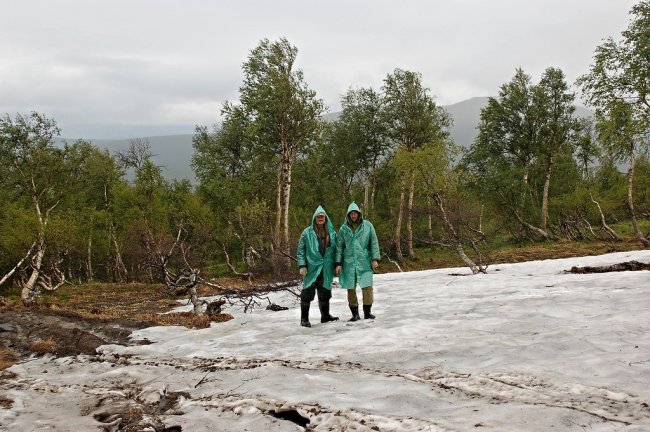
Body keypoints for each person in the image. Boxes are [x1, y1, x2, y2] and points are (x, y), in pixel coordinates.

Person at [335, 202, 380, 321]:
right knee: (350, 288)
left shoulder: (368, 226)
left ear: (359, 214)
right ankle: (355, 314)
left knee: (367, 287)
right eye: (351, 214)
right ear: (348, 215)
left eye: (355, 213)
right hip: (348, 262)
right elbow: (339, 247)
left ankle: (367, 312)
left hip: (364, 261)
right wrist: (338, 263)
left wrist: (374, 259)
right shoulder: (344, 229)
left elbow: (373, 242)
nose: (353, 216)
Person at [296, 205, 340, 327]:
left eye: (322, 216)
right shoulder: (307, 233)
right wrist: (302, 265)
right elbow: (301, 251)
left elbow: (337, 250)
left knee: (325, 292)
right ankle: (304, 319)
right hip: (311, 268)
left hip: (326, 268)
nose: (320, 218)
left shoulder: (332, 233)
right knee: (307, 293)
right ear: (315, 218)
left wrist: (337, 264)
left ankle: (325, 316)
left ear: (325, 218)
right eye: (318, 216)